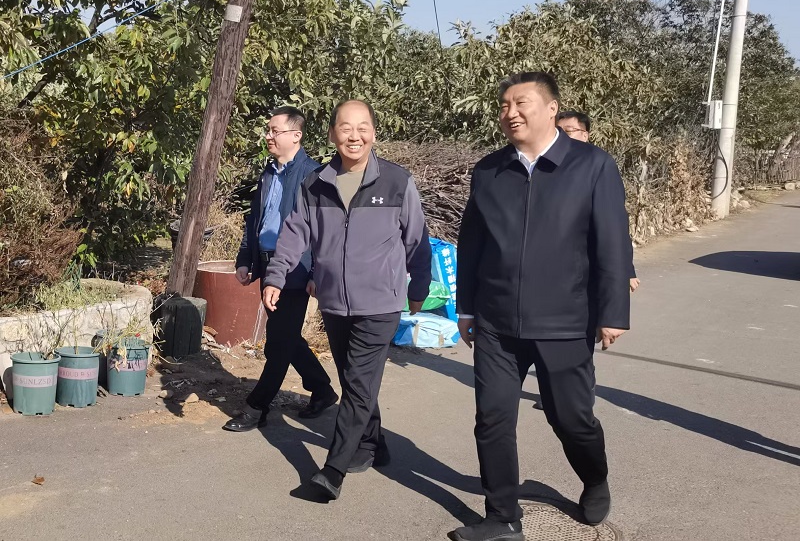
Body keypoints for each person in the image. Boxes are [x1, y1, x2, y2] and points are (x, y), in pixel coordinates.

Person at [451, 72, 633, 541]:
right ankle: (502, 516)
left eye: (521, 103)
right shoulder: (489, 170)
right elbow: (472, 245)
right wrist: (466, 308)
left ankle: (594, 477)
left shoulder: (592, 165)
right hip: (496, 321)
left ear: (551, 108)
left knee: (571, 419)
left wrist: (612, 312)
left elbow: (612, 243)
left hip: (565, 321)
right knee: (492, 418)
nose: (510, 112)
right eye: (504, 105)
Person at [261, 99, 432, 500]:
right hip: (334, 302)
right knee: (356, 380)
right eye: (345, 127)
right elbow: (295, 233)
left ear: (373, 132)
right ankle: (374, 444)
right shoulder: (316, 182)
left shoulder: (396, 181)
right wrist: (276, 275)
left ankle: (333, 470)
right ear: (332, 133)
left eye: (362, 127)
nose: (354, 136)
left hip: (381, 304)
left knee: (357, 383)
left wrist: (418, 289)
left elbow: (417, 240)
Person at [223, 107, 338, 432]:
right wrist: (245, 258)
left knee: (278, 342)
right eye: (268, 130)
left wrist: (315, 273)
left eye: (275, 130)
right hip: (267, 263)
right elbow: (255, 220)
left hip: (296, 267)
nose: (268, 136)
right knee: (285, 336)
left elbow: (324, 232)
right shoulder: (269, 172)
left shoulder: (314, 175)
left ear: (296, 135)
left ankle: (256, 406)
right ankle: (322, 389)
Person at [556, 110, 640, 292]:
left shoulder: (599, 166)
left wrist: (627, 270)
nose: (561, 136)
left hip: (589, 264)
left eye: (568, 131)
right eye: (557, 131)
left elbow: (615, 225)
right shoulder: (547, 168)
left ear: (584, 135)